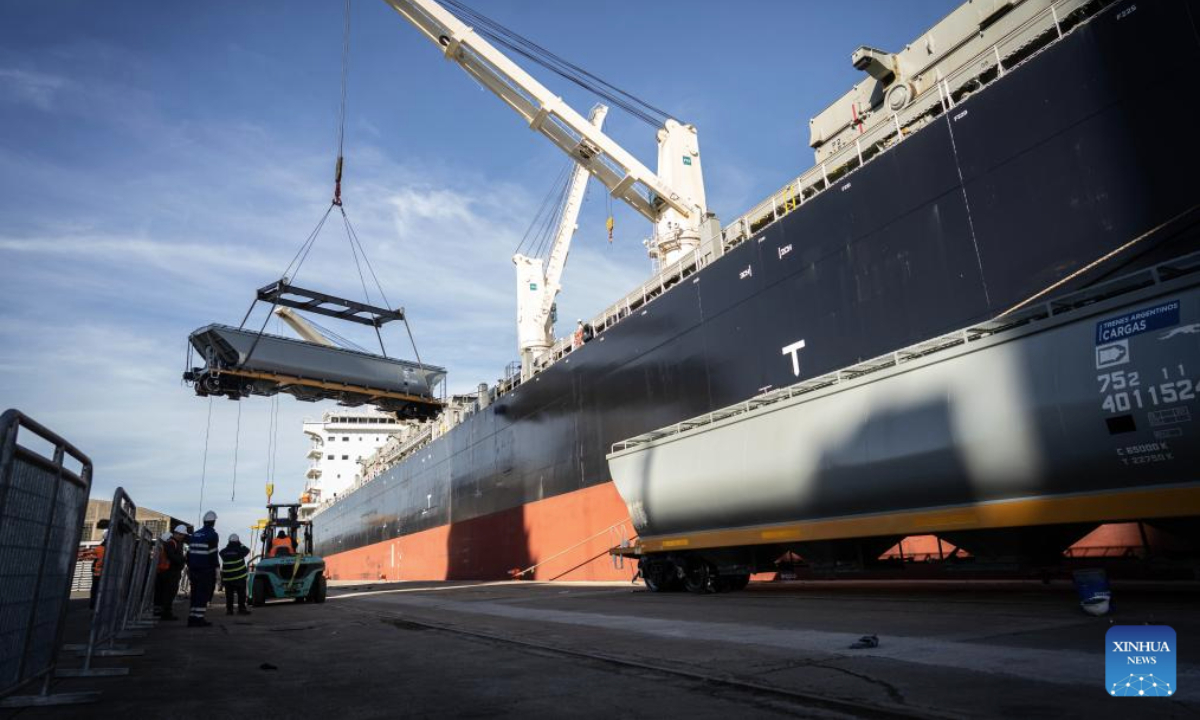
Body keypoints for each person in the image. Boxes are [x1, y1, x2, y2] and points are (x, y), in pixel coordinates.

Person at [186, 510, 219, 627]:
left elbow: (189, 554)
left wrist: (189, 567)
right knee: (203, 594)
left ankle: (192, 617)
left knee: (194, 594)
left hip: (193, 569)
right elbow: (213, 553)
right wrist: (216, 568)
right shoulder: (212, 535)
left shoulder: (194, 534)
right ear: (213, 522)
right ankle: (199, 618)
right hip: (205, 569)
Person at [154, 525, 187, 620]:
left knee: (164, 593)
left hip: (169, 572)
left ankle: (160, 612)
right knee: (169, 593)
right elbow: (172, 556)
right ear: (177, 533)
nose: (183, 537)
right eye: (182, 535)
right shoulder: (171, 543)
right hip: (169, 572)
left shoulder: (175, 543)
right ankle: (166, 614)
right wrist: (182, 559)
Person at [219, 534, 251, 616]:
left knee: (229, 595)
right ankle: (241, 609)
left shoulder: (223, 552)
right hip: (239, 577)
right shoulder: (240, 550)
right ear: (237, 541)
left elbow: (220, 553)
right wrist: (240, 544)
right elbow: (247, 550)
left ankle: (229, 610)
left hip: (228, 578)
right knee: (241, 594)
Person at [87, 520, 109, 611]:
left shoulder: (101, 548)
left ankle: (94, 604)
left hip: (98, 572)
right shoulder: (105, 548)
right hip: (100, 572)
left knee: (96, 589)